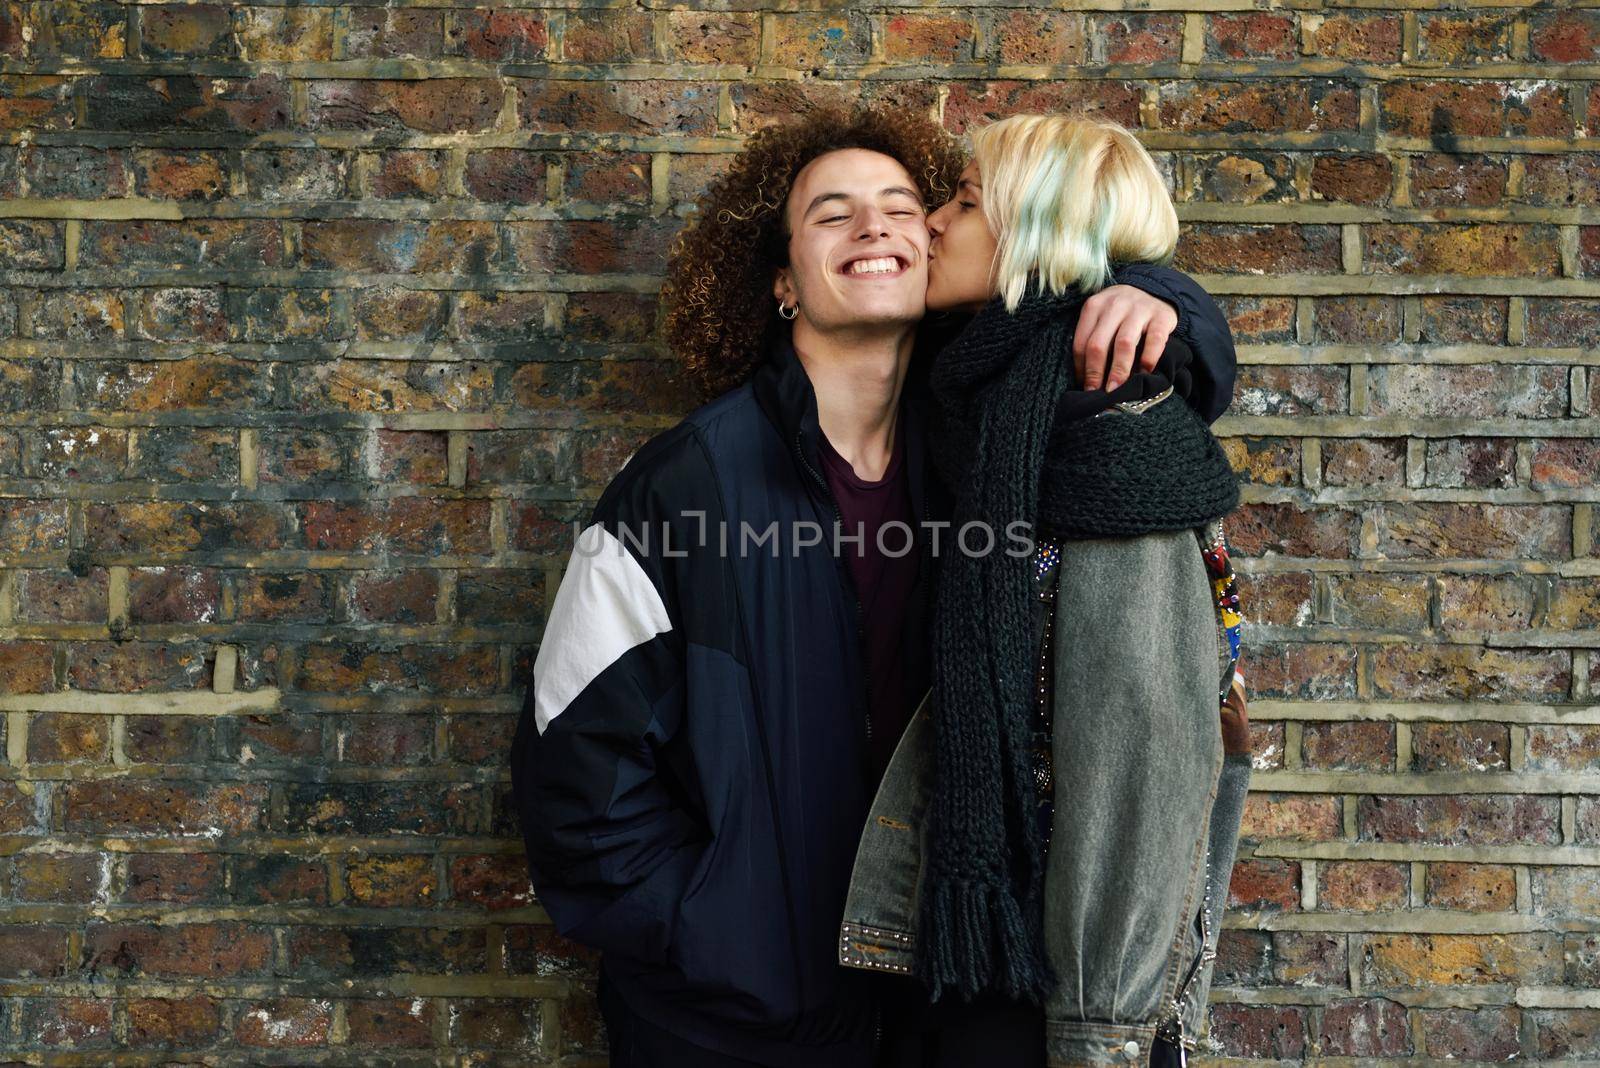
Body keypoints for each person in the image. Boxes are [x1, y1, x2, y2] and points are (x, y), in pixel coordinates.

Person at [510, 104, 1239, 1068]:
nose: (883, 228)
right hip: (734, 1023)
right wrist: (716, 938)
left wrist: (1170, 304)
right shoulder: (686, 483)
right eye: (831, 214)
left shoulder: (986, 448)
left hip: (943, 1003)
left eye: (907, 204)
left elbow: (1091, 309)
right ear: (780, 281)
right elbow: (575, 761)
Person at [837, 115, 1254, 1068]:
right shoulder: (981, 399)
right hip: (975, 954)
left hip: (1049, 992)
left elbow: (1142, 760)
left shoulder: (1112, 443)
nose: (933, 224)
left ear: (1043, 238)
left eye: (967, 203)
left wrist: (1099, 1035)